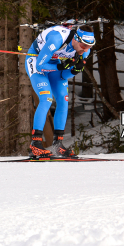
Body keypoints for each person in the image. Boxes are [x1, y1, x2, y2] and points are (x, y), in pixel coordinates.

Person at [25, 22, 95, 158]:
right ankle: (35, 144)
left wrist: (74, 70)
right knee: (46, 99)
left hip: (55, 64)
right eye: (84, 46)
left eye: (89, 46)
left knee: (63, 100)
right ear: (76, 39)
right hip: (37, 60)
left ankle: (58, 145)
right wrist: (61, 66)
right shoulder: (57, 39)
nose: (86, 50)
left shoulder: (84, 51)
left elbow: (64, 75)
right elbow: (40, 66)